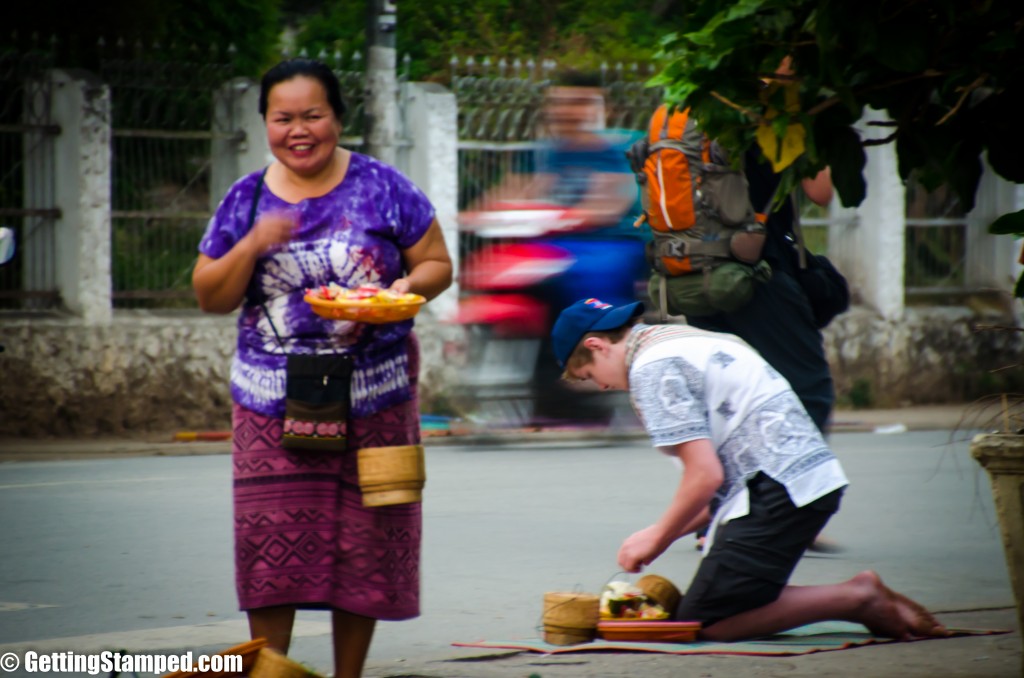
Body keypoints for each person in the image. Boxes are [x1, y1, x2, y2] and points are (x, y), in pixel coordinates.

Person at [192, 58, 452, 678]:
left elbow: (437, 263)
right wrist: (253, 243)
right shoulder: (245, 198)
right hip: (270, 398)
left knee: (365, 539)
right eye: (283, 118)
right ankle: (271, 670)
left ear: (337, 117)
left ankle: (348, 675)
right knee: (270, 541)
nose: (299, 130)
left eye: (314, 115)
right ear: (265, 124)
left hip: (376, 393)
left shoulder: (385, 187)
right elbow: (210, 294)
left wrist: (401, 290)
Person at [549, 297, 950, 642]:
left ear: (596, 345)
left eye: (589, 376)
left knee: (704, 621)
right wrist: (666, 534)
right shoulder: (680, 339)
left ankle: (858, 597)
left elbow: (706, 477)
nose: (601, 387)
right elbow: (711, 490)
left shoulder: (650, 369)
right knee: (722, 602)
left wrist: (656, 536)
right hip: (802, 479)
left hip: (776, 488)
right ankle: (856, 595)